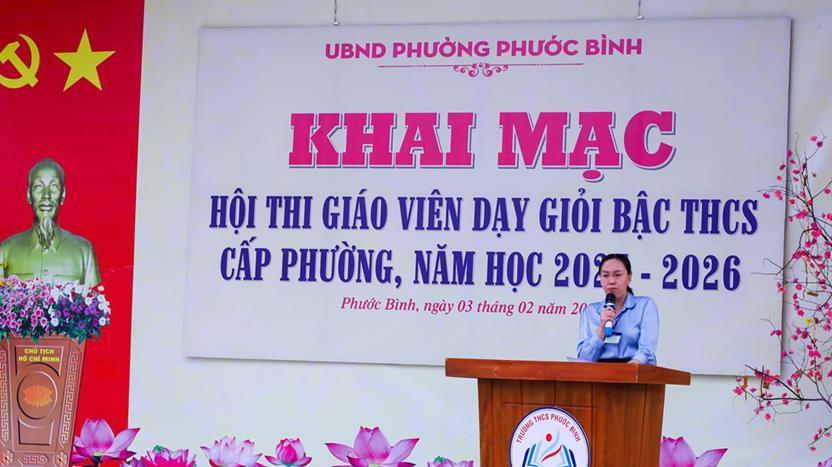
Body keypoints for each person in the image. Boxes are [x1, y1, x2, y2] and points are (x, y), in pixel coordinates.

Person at [0, 158, 101, 286]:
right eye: (38, 186)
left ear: (63, 195)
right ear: (29, 195)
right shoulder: (5, 251)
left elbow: (93, 296)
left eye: (54, 186)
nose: (46, 195)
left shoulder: (84, 251)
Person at [576, 253, 658, 365]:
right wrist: (601, 328)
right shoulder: (590, 312)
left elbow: (647, 351)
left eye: (617, 275)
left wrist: (629, 368)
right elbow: (584, 359)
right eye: (605, 275)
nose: (611, 281)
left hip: (633, 370)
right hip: (597, 373)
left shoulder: (645, 306)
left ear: (629, 278)